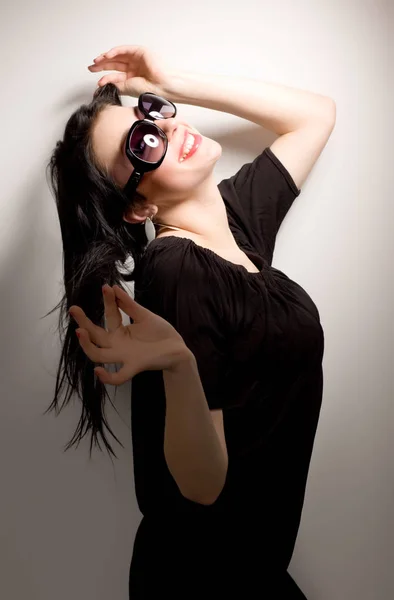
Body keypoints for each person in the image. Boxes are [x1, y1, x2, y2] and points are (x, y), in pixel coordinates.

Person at [45, 45, 335, 598]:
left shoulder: (237, 223)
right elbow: (201, 487)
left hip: (253, 568)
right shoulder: (176, 268)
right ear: (137, 208)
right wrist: (179, 366)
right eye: (141, 143)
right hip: (206, 578)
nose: (166, 129)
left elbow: (314, 115)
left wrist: (171, 80)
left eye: (153, 113)